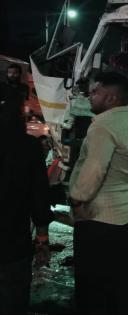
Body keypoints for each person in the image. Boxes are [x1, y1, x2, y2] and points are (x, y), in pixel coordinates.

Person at [68, 71, 128, 315]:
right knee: (119, 279)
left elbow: (94, 169)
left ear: (112, 98)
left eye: (96, 92)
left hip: (99, 219)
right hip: (127, 213)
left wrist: (77, 200)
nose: (90, 96)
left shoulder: (103, 127)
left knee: (91, 287)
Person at [0, 87, 54, 315]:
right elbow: (39, 195)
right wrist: (42, 238)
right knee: (13, 297)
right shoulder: (29, 147)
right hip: (13, 240)